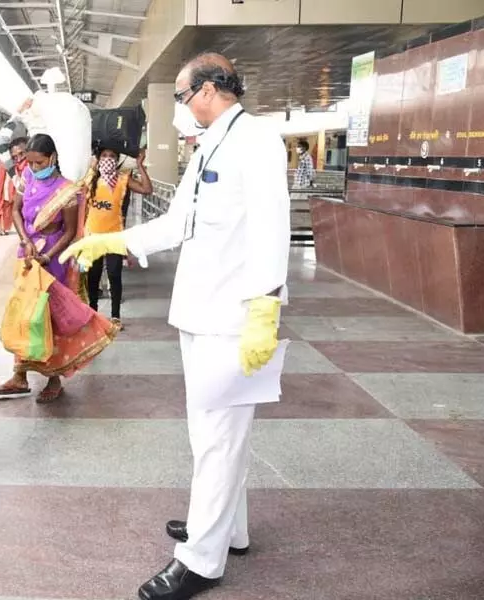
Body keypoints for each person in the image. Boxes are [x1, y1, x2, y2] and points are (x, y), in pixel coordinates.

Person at [61, 53, 290, 600]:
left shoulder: (256, 140)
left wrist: (265, 306)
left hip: (235, 316)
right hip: (201, 311)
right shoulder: (212, 142)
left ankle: (200, 561)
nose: (182, 110)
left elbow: (271, 227)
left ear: (210, 89)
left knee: (217, 437)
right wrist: (114, 240)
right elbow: (178, 222)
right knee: (213, 435)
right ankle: (226, 529)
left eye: (183, 97)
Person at [0, 134, 119, 403]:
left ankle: (54, 378)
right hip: (26, 257)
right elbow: (15, 211)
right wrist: (25, 240)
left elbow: (70, 232)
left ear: (52, 158)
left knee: (48, 318)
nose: (34, 169)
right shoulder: (26, 180)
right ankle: (20, 376)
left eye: (39, 163)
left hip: (52, 261)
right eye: (30, 163)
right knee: (24, 315)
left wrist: (46, 255)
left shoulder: (68, 191)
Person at [83, 146, 152, 328]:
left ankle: (115, 317)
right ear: (98, 159)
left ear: (117, 160)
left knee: (114, 275)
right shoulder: (90, 179)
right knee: (93, 276)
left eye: (111, 156)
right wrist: (91, 166)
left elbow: (146, 189)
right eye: (104, 156)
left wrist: (140, 166)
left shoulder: (123, 179)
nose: (107, 159)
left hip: (114, 236)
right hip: (93, 237)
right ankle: (93, 315)